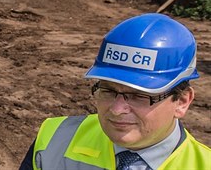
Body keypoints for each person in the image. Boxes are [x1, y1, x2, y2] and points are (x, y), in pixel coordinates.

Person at [20, 13, 210, 170]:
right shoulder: (55, 140)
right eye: (108, 91)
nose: (117, 109)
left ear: (182, 102)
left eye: (138, 96)